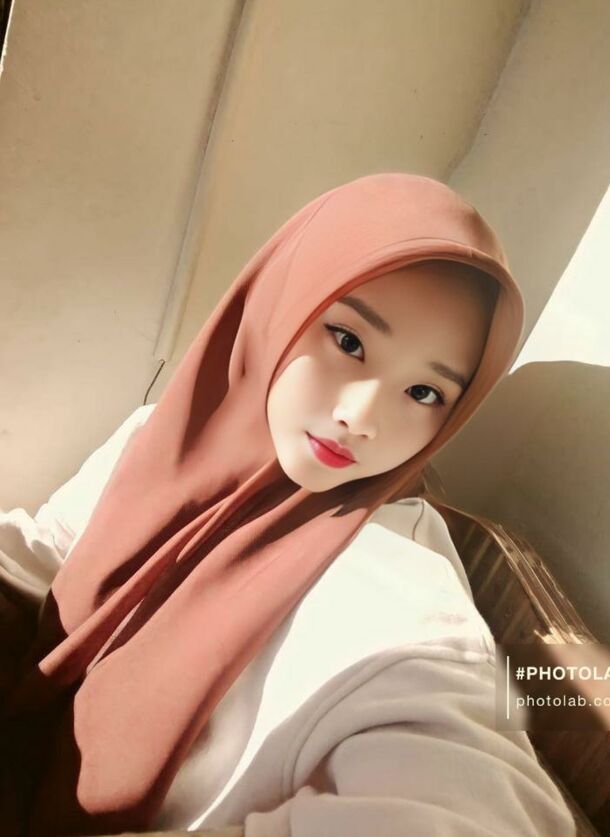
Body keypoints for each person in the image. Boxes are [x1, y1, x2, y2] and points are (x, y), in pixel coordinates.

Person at [0, 173, 577, 836]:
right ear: (281, 303)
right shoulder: (162, 435)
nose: (360, 416)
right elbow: (46, 557)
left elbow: (473, 806)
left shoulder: (399, 593)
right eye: (349, 341)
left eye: (425, 394)